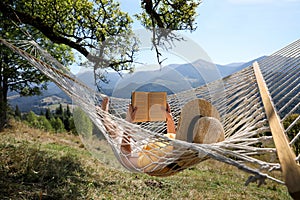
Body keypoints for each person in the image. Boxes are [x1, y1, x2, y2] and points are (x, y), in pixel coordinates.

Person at [99, 96, 225, 175]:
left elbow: (127, 157)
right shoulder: (182, 144)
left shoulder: (162, 159)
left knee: (116, 131)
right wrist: (169, 119)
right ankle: (104, 116)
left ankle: (104, 116)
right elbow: (173, 136)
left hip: (138, 152)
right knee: (118, 129)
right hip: (148, 143)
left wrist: (128, 123)